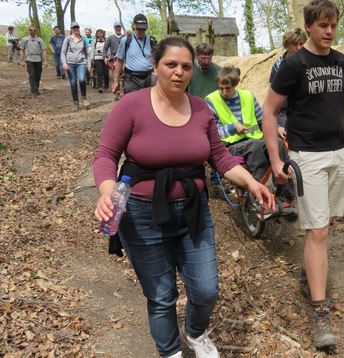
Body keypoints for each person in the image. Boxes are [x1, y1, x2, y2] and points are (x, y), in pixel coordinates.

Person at [93, 37, 274, 358]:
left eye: (185, 67)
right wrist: (107, 193)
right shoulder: (131, 106)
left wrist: (252, 183)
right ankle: (170, 352)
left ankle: (195, 333)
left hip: (193, 210)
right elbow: (106, 156)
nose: (178, 72)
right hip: (141, 215)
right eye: (171, 65)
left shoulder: (201, 108)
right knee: (161, 296)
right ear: (156, 66)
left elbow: (220, 157)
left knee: (206, 289)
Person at [263, 0, 344, 349]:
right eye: (322, 25)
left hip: (337, 153)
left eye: (333, 24)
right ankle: (319, 312)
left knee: (325, 223)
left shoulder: (342, 62)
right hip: (307, 157)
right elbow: (270, 113)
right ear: (309, 27)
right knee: (316, 230)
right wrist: (276, 159)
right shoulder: (294, 64)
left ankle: (309, 274)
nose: (329, 31)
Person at [206, 66, 296, 217]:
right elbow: (212, 132)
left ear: (235, 84)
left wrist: (277, 127)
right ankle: (260, 198)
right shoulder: (211, 100)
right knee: (255, 147)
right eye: (221, 88)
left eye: (228, 88)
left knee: (278, 144)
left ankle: (282, 195)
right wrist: (232, 127)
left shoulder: (248, 96)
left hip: (255, 139)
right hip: (232, 145)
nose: (224, 92)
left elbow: (263, 119)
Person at [269, 27, 307, 139]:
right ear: (286, 45)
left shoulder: (308, 63)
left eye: (301, 44)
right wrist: (276, 125)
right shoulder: (278, 67)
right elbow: (271, 99)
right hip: (284, 111)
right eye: (295, 44)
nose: (299, 48)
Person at [112, 13, 157, 96]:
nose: (141, 31)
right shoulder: (126, 40)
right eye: (138, 29)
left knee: (148, 104)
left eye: (143, 29)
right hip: (131, 79)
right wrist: (116, 81)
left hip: (149, 78)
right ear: (133, 26)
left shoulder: (152, 41)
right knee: (131, 103)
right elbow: (119, 62)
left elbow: (157, 62)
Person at [61, 22, 92, 111]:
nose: (75, 29)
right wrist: (64, 63)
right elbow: (63, 52)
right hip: (70, 63)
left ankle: (84, 98)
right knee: (73, 82)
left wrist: (89, 64)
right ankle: (75, 102)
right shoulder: (68, 39)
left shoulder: (82, 39)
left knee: (82, 79)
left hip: (81, 62)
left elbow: (87, 53)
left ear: (79, 28)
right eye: (74, 28)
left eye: (77, 27)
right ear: (71, 29)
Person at [19, 26, 48, 96]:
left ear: (36, 31)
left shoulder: (39, 40)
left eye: (34, 30)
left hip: (38, 59)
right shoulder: (25, 39)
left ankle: (36, 88)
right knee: (32, 75)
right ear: (29, 31)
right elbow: (21, 50)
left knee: (38, 75)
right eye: (31, 30)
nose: (33, 32)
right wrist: (22, 61)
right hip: (29, 59)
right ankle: (33, 90)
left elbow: (44, 50)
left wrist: (45, 61)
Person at [104, 21, 123, 99]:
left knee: (125, 76)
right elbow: (105, 48)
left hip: (124, 59)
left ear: (121, 27)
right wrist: (105, 57)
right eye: (116, 27)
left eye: (119, 27)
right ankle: (116, 93)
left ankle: (126, 92)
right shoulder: (110, 38)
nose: (118, 28)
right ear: (114, 28)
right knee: (116, 76)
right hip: (114, 59)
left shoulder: (125, 37)